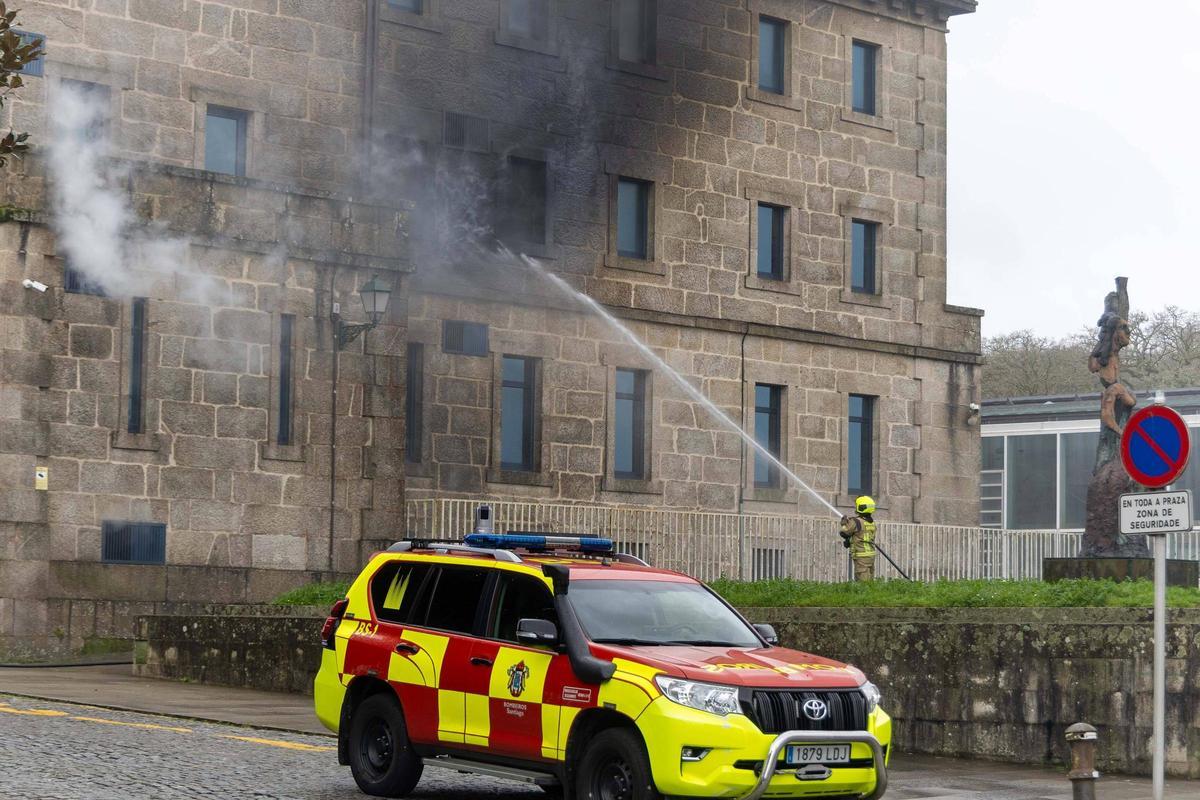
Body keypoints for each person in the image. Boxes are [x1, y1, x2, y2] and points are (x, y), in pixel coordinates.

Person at [840, 496, 877, 582]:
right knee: (870, 580)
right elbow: (860, 535)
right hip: (870, 555)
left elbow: (844, 533)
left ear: (860, 507)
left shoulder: (856, 521)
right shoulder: (871, 522)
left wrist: (844, 523)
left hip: (861, 556)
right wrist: (850, 540)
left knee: (863, 582)